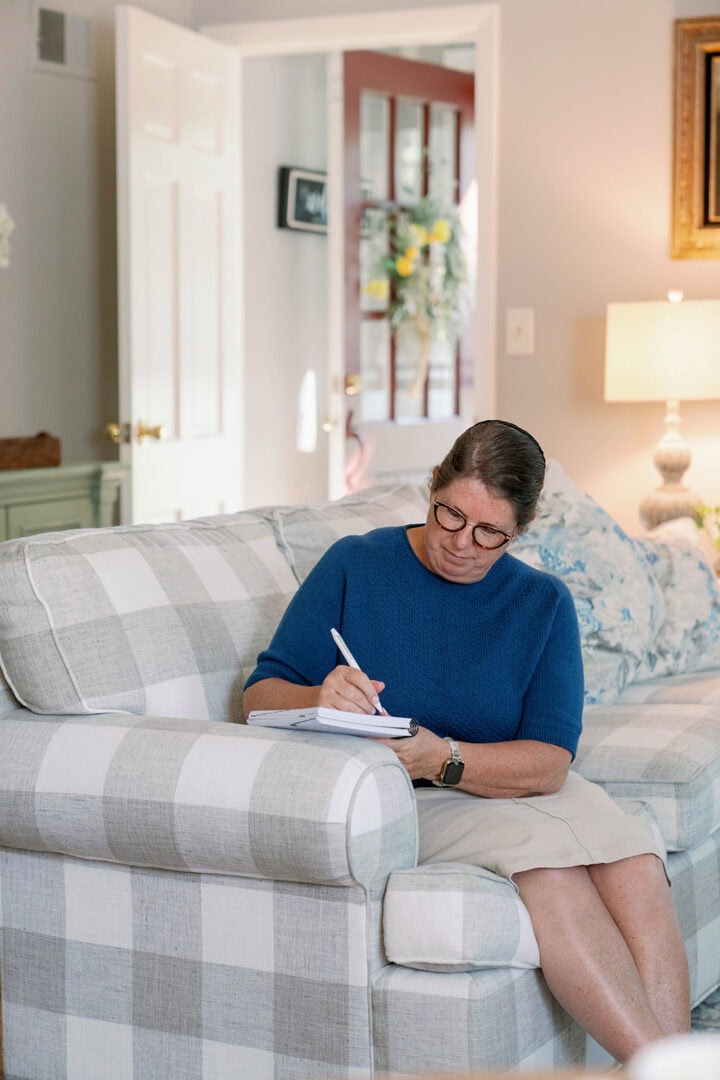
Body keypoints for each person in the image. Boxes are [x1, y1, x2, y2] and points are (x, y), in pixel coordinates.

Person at [243, 419, 690, 1064]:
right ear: (432, 488)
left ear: (522, 529)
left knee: (636, 860)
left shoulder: (541, 603)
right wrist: (316, 695)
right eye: (449, 515)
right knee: (552, 870)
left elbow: (551, 762)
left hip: (503, 777)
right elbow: (258, 697)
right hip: (407, 795)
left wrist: (447, 757)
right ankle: (670, 1070)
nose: (460, 543)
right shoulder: (355, 565)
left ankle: (672, 1067)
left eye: (490, 533)